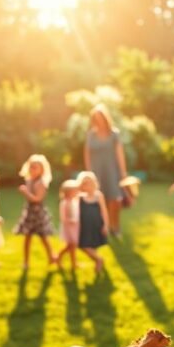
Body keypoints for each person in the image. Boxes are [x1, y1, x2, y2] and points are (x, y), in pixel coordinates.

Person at [84, 104, 128, 237]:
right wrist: (89, 173)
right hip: (96, 172)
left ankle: (116, 227)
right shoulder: (91, 135)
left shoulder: (114, 134)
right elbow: (87, 154)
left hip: (112, 171)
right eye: (96, 119)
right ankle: (104, 227)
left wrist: (123, 173)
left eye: (101, 118)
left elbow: (120, 154)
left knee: (115, 200)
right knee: (99, 201)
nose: (99, 121)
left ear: (105, 118)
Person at [14, 154, 57, 270]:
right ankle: (26, 262)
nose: (32, 169)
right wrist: (26, 191)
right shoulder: (29, 180)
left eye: (35, 167)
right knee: (27, 237)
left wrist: (25, 192)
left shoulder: (41, 183)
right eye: (31, 167)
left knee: (43, 237)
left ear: (42, 169)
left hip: (38, 213)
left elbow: (38, 199)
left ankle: (51, 257)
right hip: (29, 212)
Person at [76, 171, 109, 274]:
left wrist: (105, 225)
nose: (88, 185)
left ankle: (98, 262)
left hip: (96, 225)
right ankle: (98, 259)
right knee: (83, 245)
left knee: (93, 244)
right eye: (84, 183)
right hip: (85, 226)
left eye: (89, 182)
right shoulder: (80, 197)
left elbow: (104, 211)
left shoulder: (98, 195)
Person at [57, 179, 81, 271]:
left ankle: (73, 263)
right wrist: (70, 221)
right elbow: (63, 217)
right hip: (69, 228)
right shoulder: (65, 203)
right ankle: (59, 257)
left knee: (73, 246)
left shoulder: (75, 201)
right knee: (71, 245)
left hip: (75, 227)